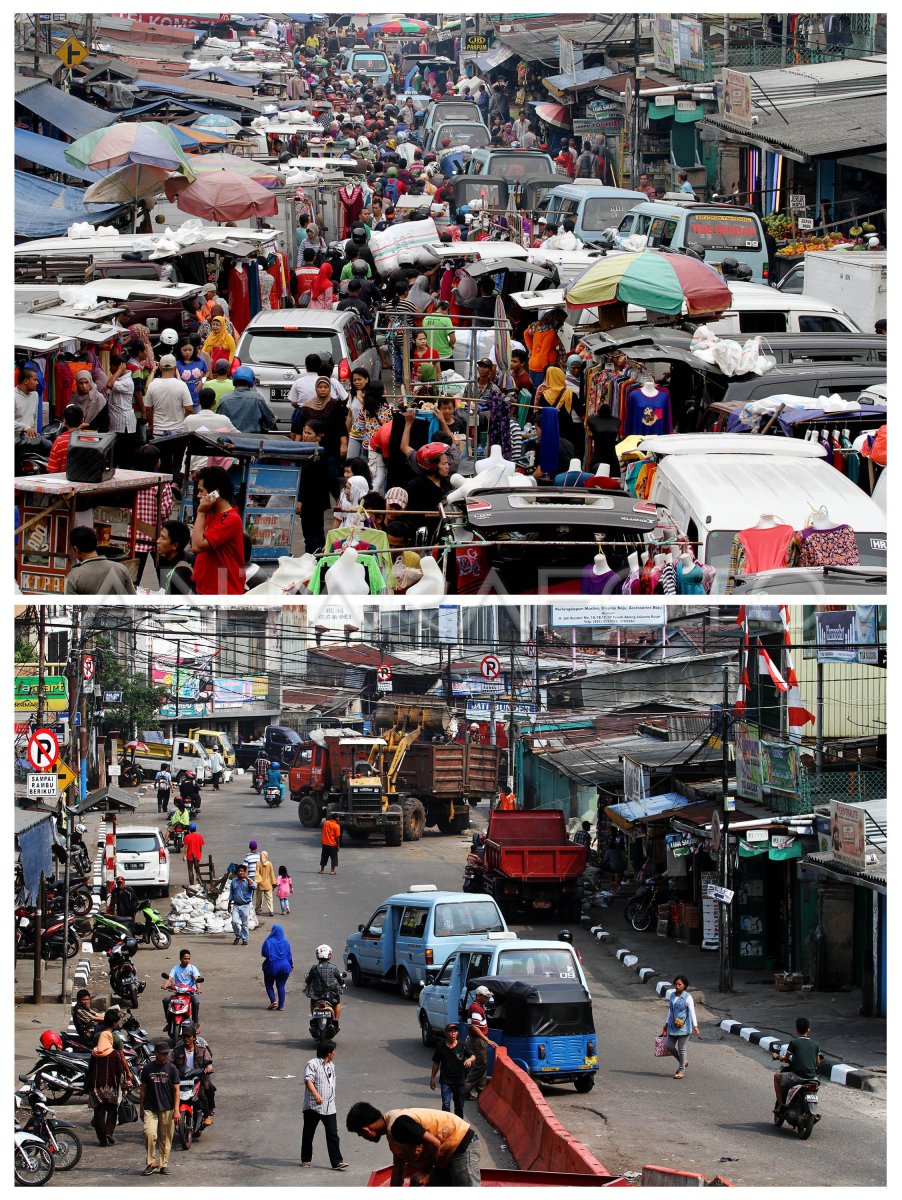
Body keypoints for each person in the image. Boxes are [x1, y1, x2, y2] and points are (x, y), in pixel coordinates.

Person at [345, 1102, 480, 1187]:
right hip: (445, 1155)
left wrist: (426, 1172)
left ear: (365, 1129)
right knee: (417, 1184)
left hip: (460, 1142)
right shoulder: (390, 1129)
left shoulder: (398, 1125)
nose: (364, 1138)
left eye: (361, 1135)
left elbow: (434, 1143)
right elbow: (398, 1169)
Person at [191, 466, 245, 595]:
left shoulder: (231, 519)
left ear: (215, 492)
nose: (198, 496)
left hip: (222, 591)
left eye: (201, 491)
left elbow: (197, 546)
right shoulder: (211, 513)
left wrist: (200, 513)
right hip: (205, 588)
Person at [87, 1009, 131, 1148]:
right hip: (111, 1086)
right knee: (112, 1110)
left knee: (98, 1113)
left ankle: (102, 1140)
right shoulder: (114, 1052)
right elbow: (119, 1069)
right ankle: (109, 1132)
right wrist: (125, 1082)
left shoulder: (95, 1050)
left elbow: (90, 1068)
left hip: (96, 1087)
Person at [302, 1041, 349, 1170]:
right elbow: (308, 1080)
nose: (335, 1053)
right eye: (333, 1051)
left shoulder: (331, 1066)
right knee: (308, 1133)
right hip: (313, 1106)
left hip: (329, 1106)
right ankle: (306, 1159)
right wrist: (316, 1095)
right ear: (328, 1053)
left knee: (333, 1133)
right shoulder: (312, 1064)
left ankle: (337, 1162)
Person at [140, 1038, 179, 1175]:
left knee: (166, 1138)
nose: (165, 1056)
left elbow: (176, 1090)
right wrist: (141, 1108)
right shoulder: (147, 1069)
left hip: (167, 1108)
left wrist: (177, 1110)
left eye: (166, 1053)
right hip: (150, 1107)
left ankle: (164, 1164)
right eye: (162, 1053)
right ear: (155, 1053)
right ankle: (151, 1162)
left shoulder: (172, 1069)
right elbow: (143, 1089)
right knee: (149, 1133)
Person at [65, 527, 136, 596]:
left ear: (76, 549)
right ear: (96, 544)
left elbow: (69, 606)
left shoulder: (74, 577)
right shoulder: (121, 569)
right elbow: (133, 600)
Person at [773, 1016, 823, 1114]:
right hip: (812, 1078)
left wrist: (778, 1057)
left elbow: (786, 1058)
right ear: (809, 1029)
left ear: (796, 1029)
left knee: (777, 1077)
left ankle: (780, 1105)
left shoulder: (794, 1042)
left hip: (797, 1077)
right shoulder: (815, 1044)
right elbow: (818, 1062)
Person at [170, 1021, 215, 1126]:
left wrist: (208, 1068)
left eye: (188, 1036)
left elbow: (209, 1061)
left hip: (198, 1077)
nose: (186, 1039)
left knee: (204, 1091)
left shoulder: (202, 1049)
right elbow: (169, 1060)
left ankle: (207, 1114)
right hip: (181, 1077)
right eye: (184, 1036)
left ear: (194, 1037)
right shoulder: (177, 1050)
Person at [430, 1023, 475, 1118]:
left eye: (455, 1031)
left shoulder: (462, 1045)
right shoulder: (440, 1046)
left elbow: (473, 1056)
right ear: (446, 1033)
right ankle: (446, 1125)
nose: (453, 1034)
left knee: (459, 1106)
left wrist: (469, 1060)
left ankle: (459, 1126)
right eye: (450, 1031)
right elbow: (436, 1063)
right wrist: (432, 1078)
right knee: (446, 1105)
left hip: (459, 1081)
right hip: (445, 1080)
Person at [144, 355, 194, 438]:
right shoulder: (181, 385)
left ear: (160, 368)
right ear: (175, 368)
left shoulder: (152, 385)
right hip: (178, 431)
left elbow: (148, 409)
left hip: (158, 431)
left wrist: (151, 425)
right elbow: (189, 409)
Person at [218, 366, 277, 434]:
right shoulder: (257, 398)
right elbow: (270, 422)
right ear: (252, 381)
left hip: (230, 440)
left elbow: (219, 423)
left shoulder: (224, 399)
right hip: (253, 440)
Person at [463, 984, 497, 1100]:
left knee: (483, 1064)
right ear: (478, 996)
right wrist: (487, 1040)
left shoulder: (478, 1007)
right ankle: (465, 1090)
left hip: (479, 1040)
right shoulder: (476, 1008)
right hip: (477, 1041)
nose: (487, 999)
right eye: (486, 997)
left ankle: (481, 1091)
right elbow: (475, 1027)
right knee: (480, 1066)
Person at [663, 974, 700, 1079]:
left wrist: (695, 1026)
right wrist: (666, 1024)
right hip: (672, 1025)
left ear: (684, 985)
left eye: (680, 984)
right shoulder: (672, 995)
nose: (677, 986)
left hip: (684, 1027)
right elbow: (670, 1011)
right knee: (669, 1046)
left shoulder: (687, 997)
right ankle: (683, 1061)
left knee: (681, 1049)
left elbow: (692, 1012)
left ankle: (681, 1070)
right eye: (676, 984)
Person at [304, 944, 343, 1025]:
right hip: (331, 994)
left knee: (312, 1002)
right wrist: (343, 984)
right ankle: (336, 1020)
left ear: (317, 955)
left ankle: (314, 1018)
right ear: (329, 956)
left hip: (317, 994)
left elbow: (308, 980)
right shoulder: (333, 967)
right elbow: (339, 979)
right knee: (337, 1003)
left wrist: (307, 984)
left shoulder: (314, 968)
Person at [261, 922, 294, 1010]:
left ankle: (273, 1001)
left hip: (272, 966)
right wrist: (291, 964)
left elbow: (264, 953)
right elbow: (289, 955)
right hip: (285, 967)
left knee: (268, 984)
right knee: (281, 986)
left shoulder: (268, 941)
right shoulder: (286, 942)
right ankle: (281, 1006)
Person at [166, 948, 202, 1026]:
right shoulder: (175, 968)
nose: (187, 960)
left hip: (190, 992)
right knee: (166, 1000)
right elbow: (170, 978)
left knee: (196, 1002)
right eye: (185, 958)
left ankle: (195, 1023)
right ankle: (168, 1022)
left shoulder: (192, 968)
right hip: (178, 993)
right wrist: (165, 985)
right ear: (180, 958)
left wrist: (198, 988)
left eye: (188, 959)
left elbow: (197, 979)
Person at [46, 404, 84, 473]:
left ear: (65, 421)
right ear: (82, 421)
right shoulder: (90, 440)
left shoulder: (59, 442)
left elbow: (52, 470)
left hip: (64, 481)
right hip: (85, 481)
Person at [228, 863, 255, 945]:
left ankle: (245, 939)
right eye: (239, 871)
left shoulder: (248, 881)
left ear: (245, 872)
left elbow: (255, 887)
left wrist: (247, 878)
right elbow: (231, 893)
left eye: (242, 871)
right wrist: (229, 904)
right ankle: (238, 935)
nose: (240, 873)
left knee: (245, 924)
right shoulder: (234, 881)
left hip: (245, 905)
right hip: (236, 905)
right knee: (234, 922)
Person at [255, 848, 277, 916]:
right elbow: (272, 874)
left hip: (260, 884)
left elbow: (257, 873)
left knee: (259, 898)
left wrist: (257, 881)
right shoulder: (270, 864)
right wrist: (273, 883)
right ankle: (271, 911)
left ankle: (258, 910)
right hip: (268, 884)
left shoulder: (258, 863)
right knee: (269, 898)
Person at [183, 822, 204, 887]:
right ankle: (199, 882)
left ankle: (191, 884)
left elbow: (186, 847)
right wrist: (200, 854)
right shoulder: (200, 836)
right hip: (197, 856)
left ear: (189, 829)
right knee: (197, 869)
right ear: (195, 829)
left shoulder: (187, 837)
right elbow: (200, 847)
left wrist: (184, 855)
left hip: (190, 856)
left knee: (190, 870)